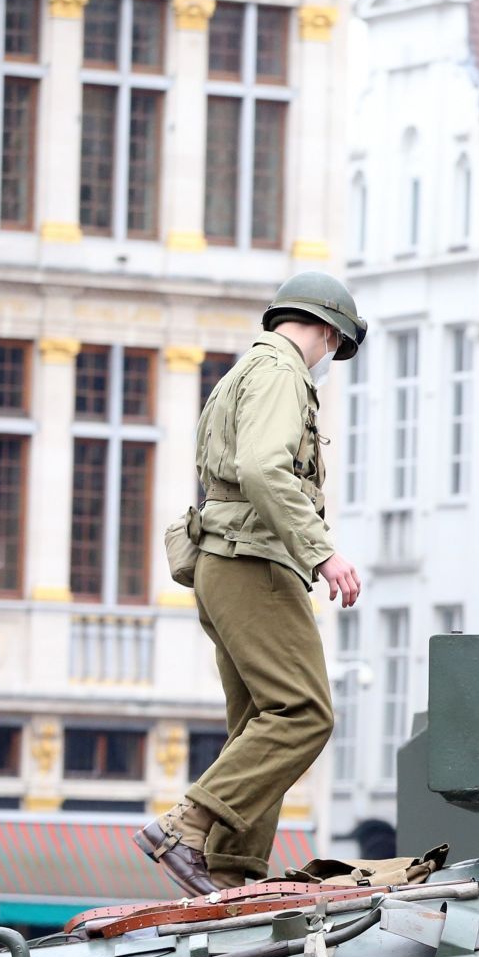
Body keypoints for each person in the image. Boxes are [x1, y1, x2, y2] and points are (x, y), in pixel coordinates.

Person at [132, 272, 366, 893]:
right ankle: (188, 824)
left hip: (222, 560)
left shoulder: (242, 372)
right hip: (253, 561)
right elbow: (264, 468)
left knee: (261, 723)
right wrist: (323, 554)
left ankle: (228, 870)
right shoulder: (284, 373)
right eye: (335, 348)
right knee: (304, 713)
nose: (329, 359)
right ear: (326, 330)